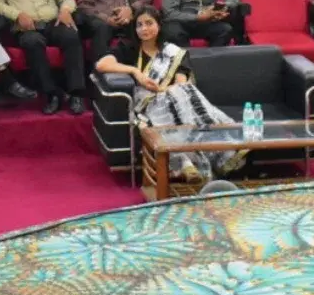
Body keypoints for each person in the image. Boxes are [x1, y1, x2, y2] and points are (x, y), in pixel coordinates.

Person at [96, 9, 240, 181]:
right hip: (148, 104)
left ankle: (202, 160)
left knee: (184, 93)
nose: (144, 29)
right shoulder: (129, 48)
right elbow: (102, 64)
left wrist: (165, 92)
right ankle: (196, 161)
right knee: (180, 99)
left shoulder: (173, 53)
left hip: (176, 101)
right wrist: (135, 71)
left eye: (149, 23)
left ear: (159, 25)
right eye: (139, 25)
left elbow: (181, 83)